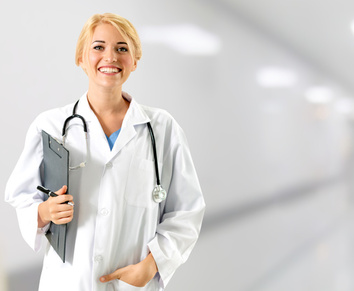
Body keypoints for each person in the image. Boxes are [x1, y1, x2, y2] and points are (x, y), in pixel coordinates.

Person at [4, 13, 205, 290]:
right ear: (81, 59)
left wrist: (152, 265)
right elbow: (21, 196)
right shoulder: (50, 126)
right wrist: (44, 211)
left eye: (122, 48)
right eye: (98, 47)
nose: (110, 57)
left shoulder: (162, 129)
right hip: (69, 282)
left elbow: (187, 211)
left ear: (134, 61)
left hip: (132, 285)